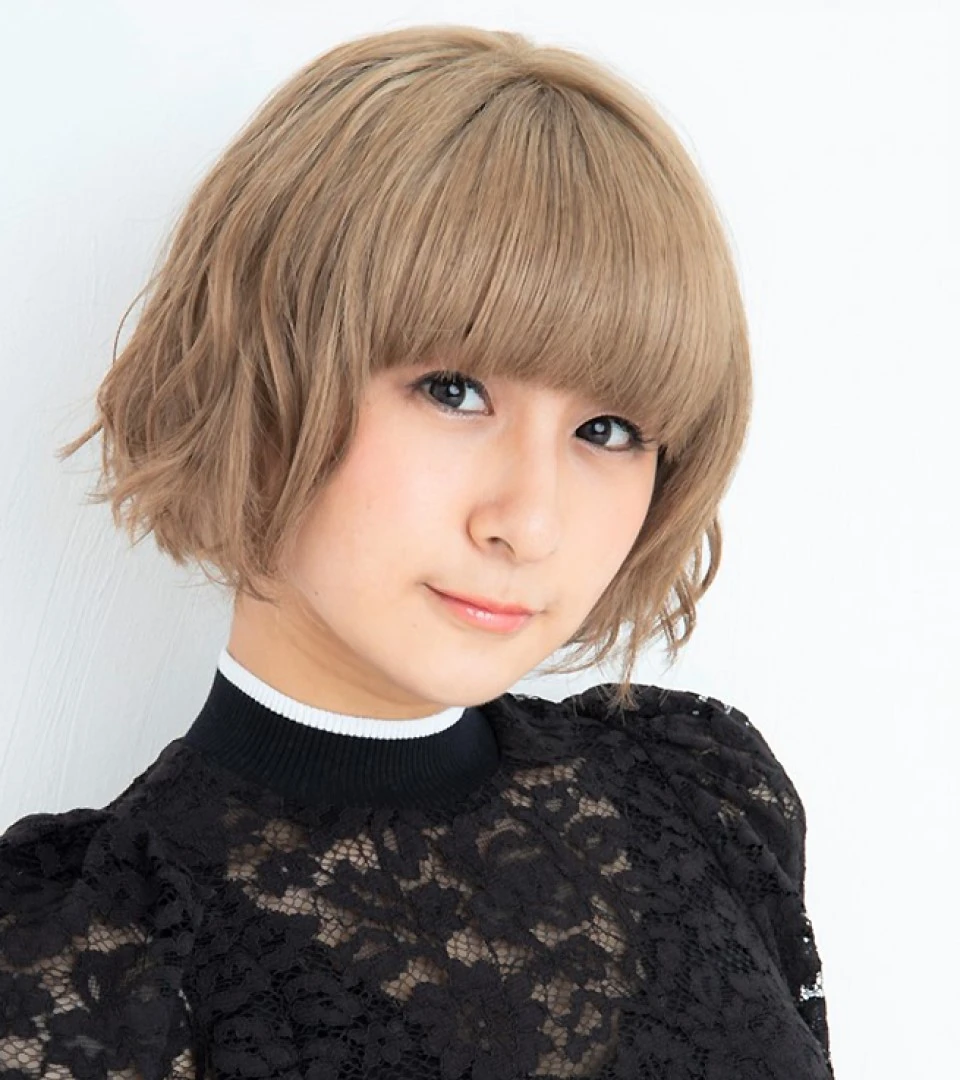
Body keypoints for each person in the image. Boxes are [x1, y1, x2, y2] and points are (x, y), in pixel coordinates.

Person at [0, 23, 833, 1080]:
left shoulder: (704, 800)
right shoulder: (86, 973)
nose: (530, 522)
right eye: (453, 390)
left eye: (607, 430)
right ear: (267, 375)